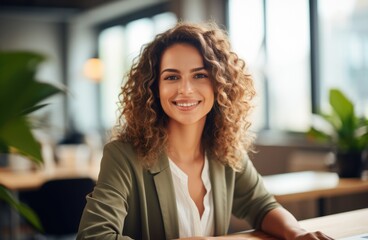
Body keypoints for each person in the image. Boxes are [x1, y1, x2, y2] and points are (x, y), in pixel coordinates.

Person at [77, 22, 332, 240]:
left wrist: (295, 232)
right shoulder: (123, 155)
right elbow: (94, 235)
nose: (185, 89)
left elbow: (261, 205)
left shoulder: (226, 151)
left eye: (199, 75)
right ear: (154, 88)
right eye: (172, 77)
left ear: (220, 85)